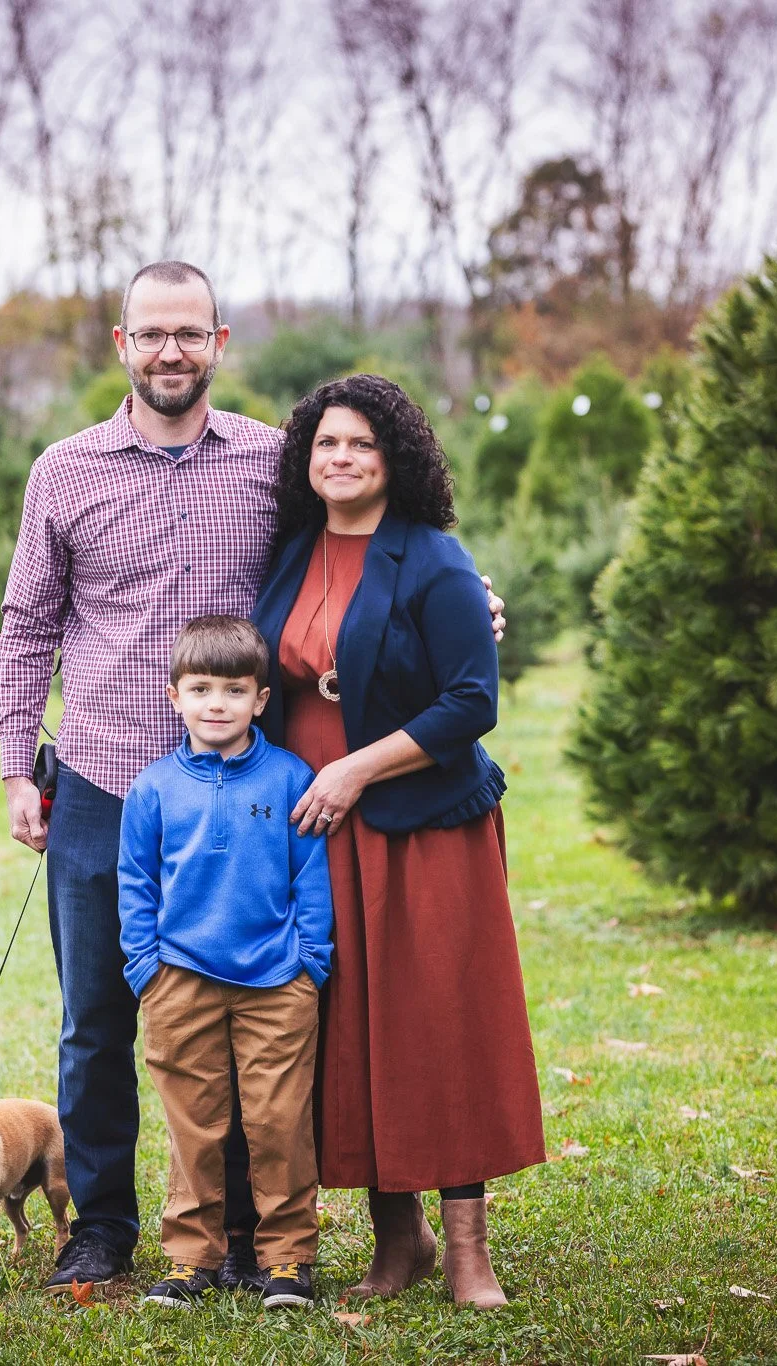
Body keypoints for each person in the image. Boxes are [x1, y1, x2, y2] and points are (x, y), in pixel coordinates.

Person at [0, 261, 504, 1294]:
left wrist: (471, 597)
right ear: (120, 345)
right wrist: (17, 766)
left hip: (250, 787)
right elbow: (27, 623)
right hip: (102, 778)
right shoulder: (64, 469)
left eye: (189, 333)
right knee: (99, 1013)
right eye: (151, 334)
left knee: (247, 1005)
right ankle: (100, 1224)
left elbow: (365, 553)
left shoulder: (275, 461)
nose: (170, 351)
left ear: (219, 342)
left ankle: (240, 1232)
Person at [252, 374, 544, 1310]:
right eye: (327, 443)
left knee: (435, 1025)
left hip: (419, 825)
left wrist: (356, 769)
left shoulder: (434, 560)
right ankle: (395, 1241)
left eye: (361, 446)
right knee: (352, 1028)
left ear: (396, 461)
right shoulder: (292, 553)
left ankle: (468, 1255)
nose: (340, 458)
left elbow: (473, 701)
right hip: (315, 830)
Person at [118, 615, 333, 1310]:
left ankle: (288, 1260)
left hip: (277, 982)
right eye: (201, 688)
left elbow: (311, 879)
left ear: (261, 701)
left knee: (277, 1122)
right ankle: (189, 1259)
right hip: (180, 979)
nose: (217, 703)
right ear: (174, 695)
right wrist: (146, 967)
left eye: (235, 690)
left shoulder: (291, 775)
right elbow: (136, 883)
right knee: (195, 1125)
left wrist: (310, 964)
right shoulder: (153, 788)